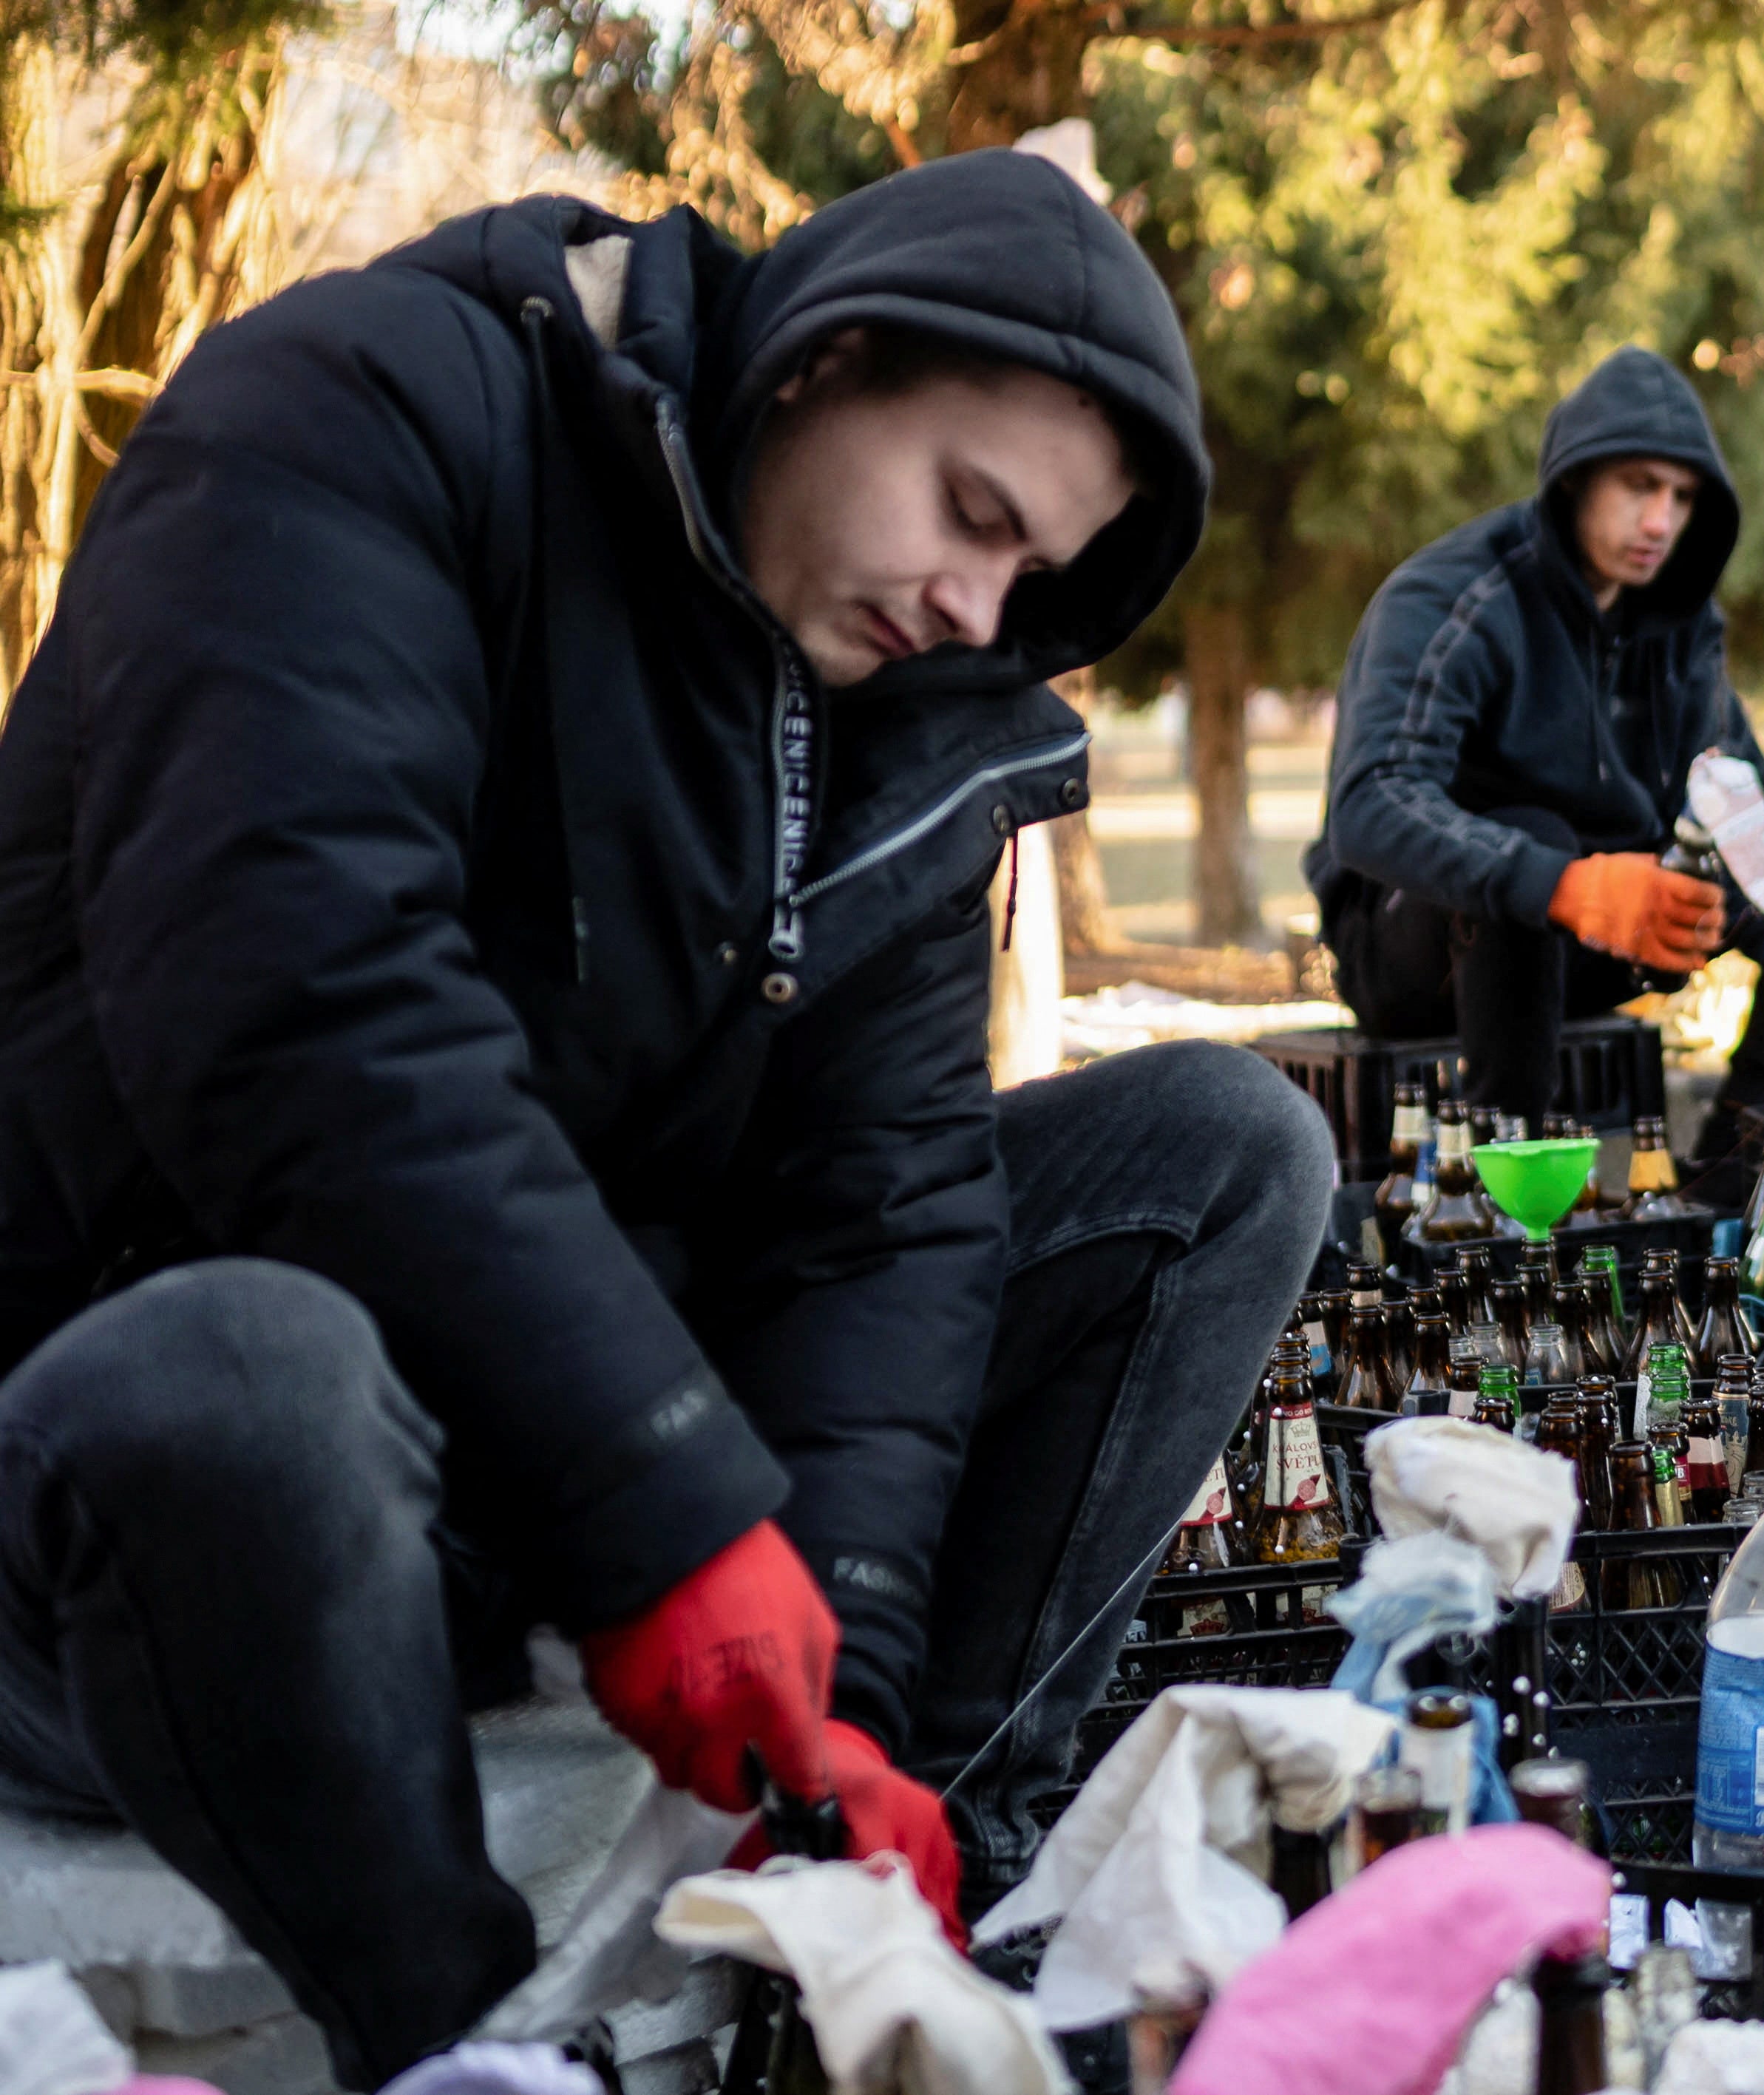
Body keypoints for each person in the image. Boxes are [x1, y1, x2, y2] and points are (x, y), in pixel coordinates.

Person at [0, 152, 1333, 2085]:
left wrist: (845, 1675)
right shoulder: (352, 418)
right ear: (826, 358)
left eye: (1028, 578)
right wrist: (666, 1517)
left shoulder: (887, 701)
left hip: (527, 1486)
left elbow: (883, 1214)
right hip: (146, 1489)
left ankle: (882, 1921)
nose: (975, 605)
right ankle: (451, 2034)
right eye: (970, 514)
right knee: (253, 1364)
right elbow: (302, 1008)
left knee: (1223, 1152)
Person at [1306, 346, 1764, 1150]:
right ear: (1574, 481)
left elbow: (1728, 795)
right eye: (1637, 486)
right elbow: (1370, 802)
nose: (1659, 520)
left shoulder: (1681, 620)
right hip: (1420, 950)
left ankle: (1744, 1150)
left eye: (1681, 495)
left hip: (1608, 933)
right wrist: (1564, 885)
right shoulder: (1455, 594)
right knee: (1532, 835)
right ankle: (1509, 1182)